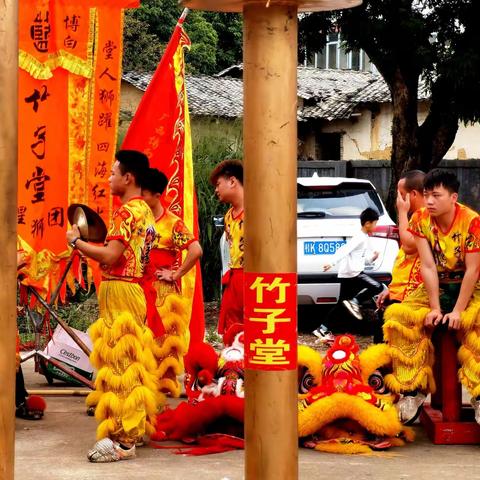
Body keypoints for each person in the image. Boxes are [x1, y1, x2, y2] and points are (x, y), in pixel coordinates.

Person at [66, 150, 160, 462]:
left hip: (121, 290)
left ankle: (124, 442)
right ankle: (134, 430)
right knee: (132, 362)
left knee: (122, 367)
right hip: (133, 289)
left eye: (113, 172)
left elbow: (110, 257)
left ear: (128, 178)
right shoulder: (145, 212)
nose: (109, 178)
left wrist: (76, 242)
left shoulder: (126, 213)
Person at [383, 169, 480, 425]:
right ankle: (411, 389)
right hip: (436, 285)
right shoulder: (420, 220)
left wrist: (458, 311)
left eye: (436, 195)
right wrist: (435, 307)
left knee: (475, 325)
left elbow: (473, 270)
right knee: (398, 317)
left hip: (471, 287)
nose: (429, 201)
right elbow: (427, 265)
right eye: (426, 195)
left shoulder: (472, 221)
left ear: (453, 197)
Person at [141, 168, 203, 398]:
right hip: (140, 287)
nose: (141, 199)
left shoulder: (173, 223)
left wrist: (175, 275)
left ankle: (162, 391)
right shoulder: (139, 220)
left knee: (163, 343)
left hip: (163, 293)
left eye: (144, 194)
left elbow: (195, 250)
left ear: (157, 195)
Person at [312, 207, 382, 340]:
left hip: (350, 273)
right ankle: (355, 301)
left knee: (341, 305)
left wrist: (372, 258)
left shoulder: (364, 237)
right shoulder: (359, 237)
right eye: (375, 223)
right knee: (378, 287)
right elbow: (345, 250)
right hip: (353, 274)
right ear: (367, 223)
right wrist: (332, 263)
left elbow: (360, 257)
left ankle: (322, 329)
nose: (376, 227)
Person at [373, 170, 426, 343]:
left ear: (414, 194)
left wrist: (402, 212)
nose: (398, 199)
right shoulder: (415, 217)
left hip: (411, 298)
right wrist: (391, 288)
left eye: (401, 195)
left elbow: (409, 246)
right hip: (399, 292)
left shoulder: (425, 216)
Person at [210, 160, 244, 335]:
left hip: (254, 278)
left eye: (218, 184)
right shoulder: (228, 216)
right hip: (234, 277)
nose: (216, 190)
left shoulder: (258, 210)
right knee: (233, 331)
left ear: (232, 181)